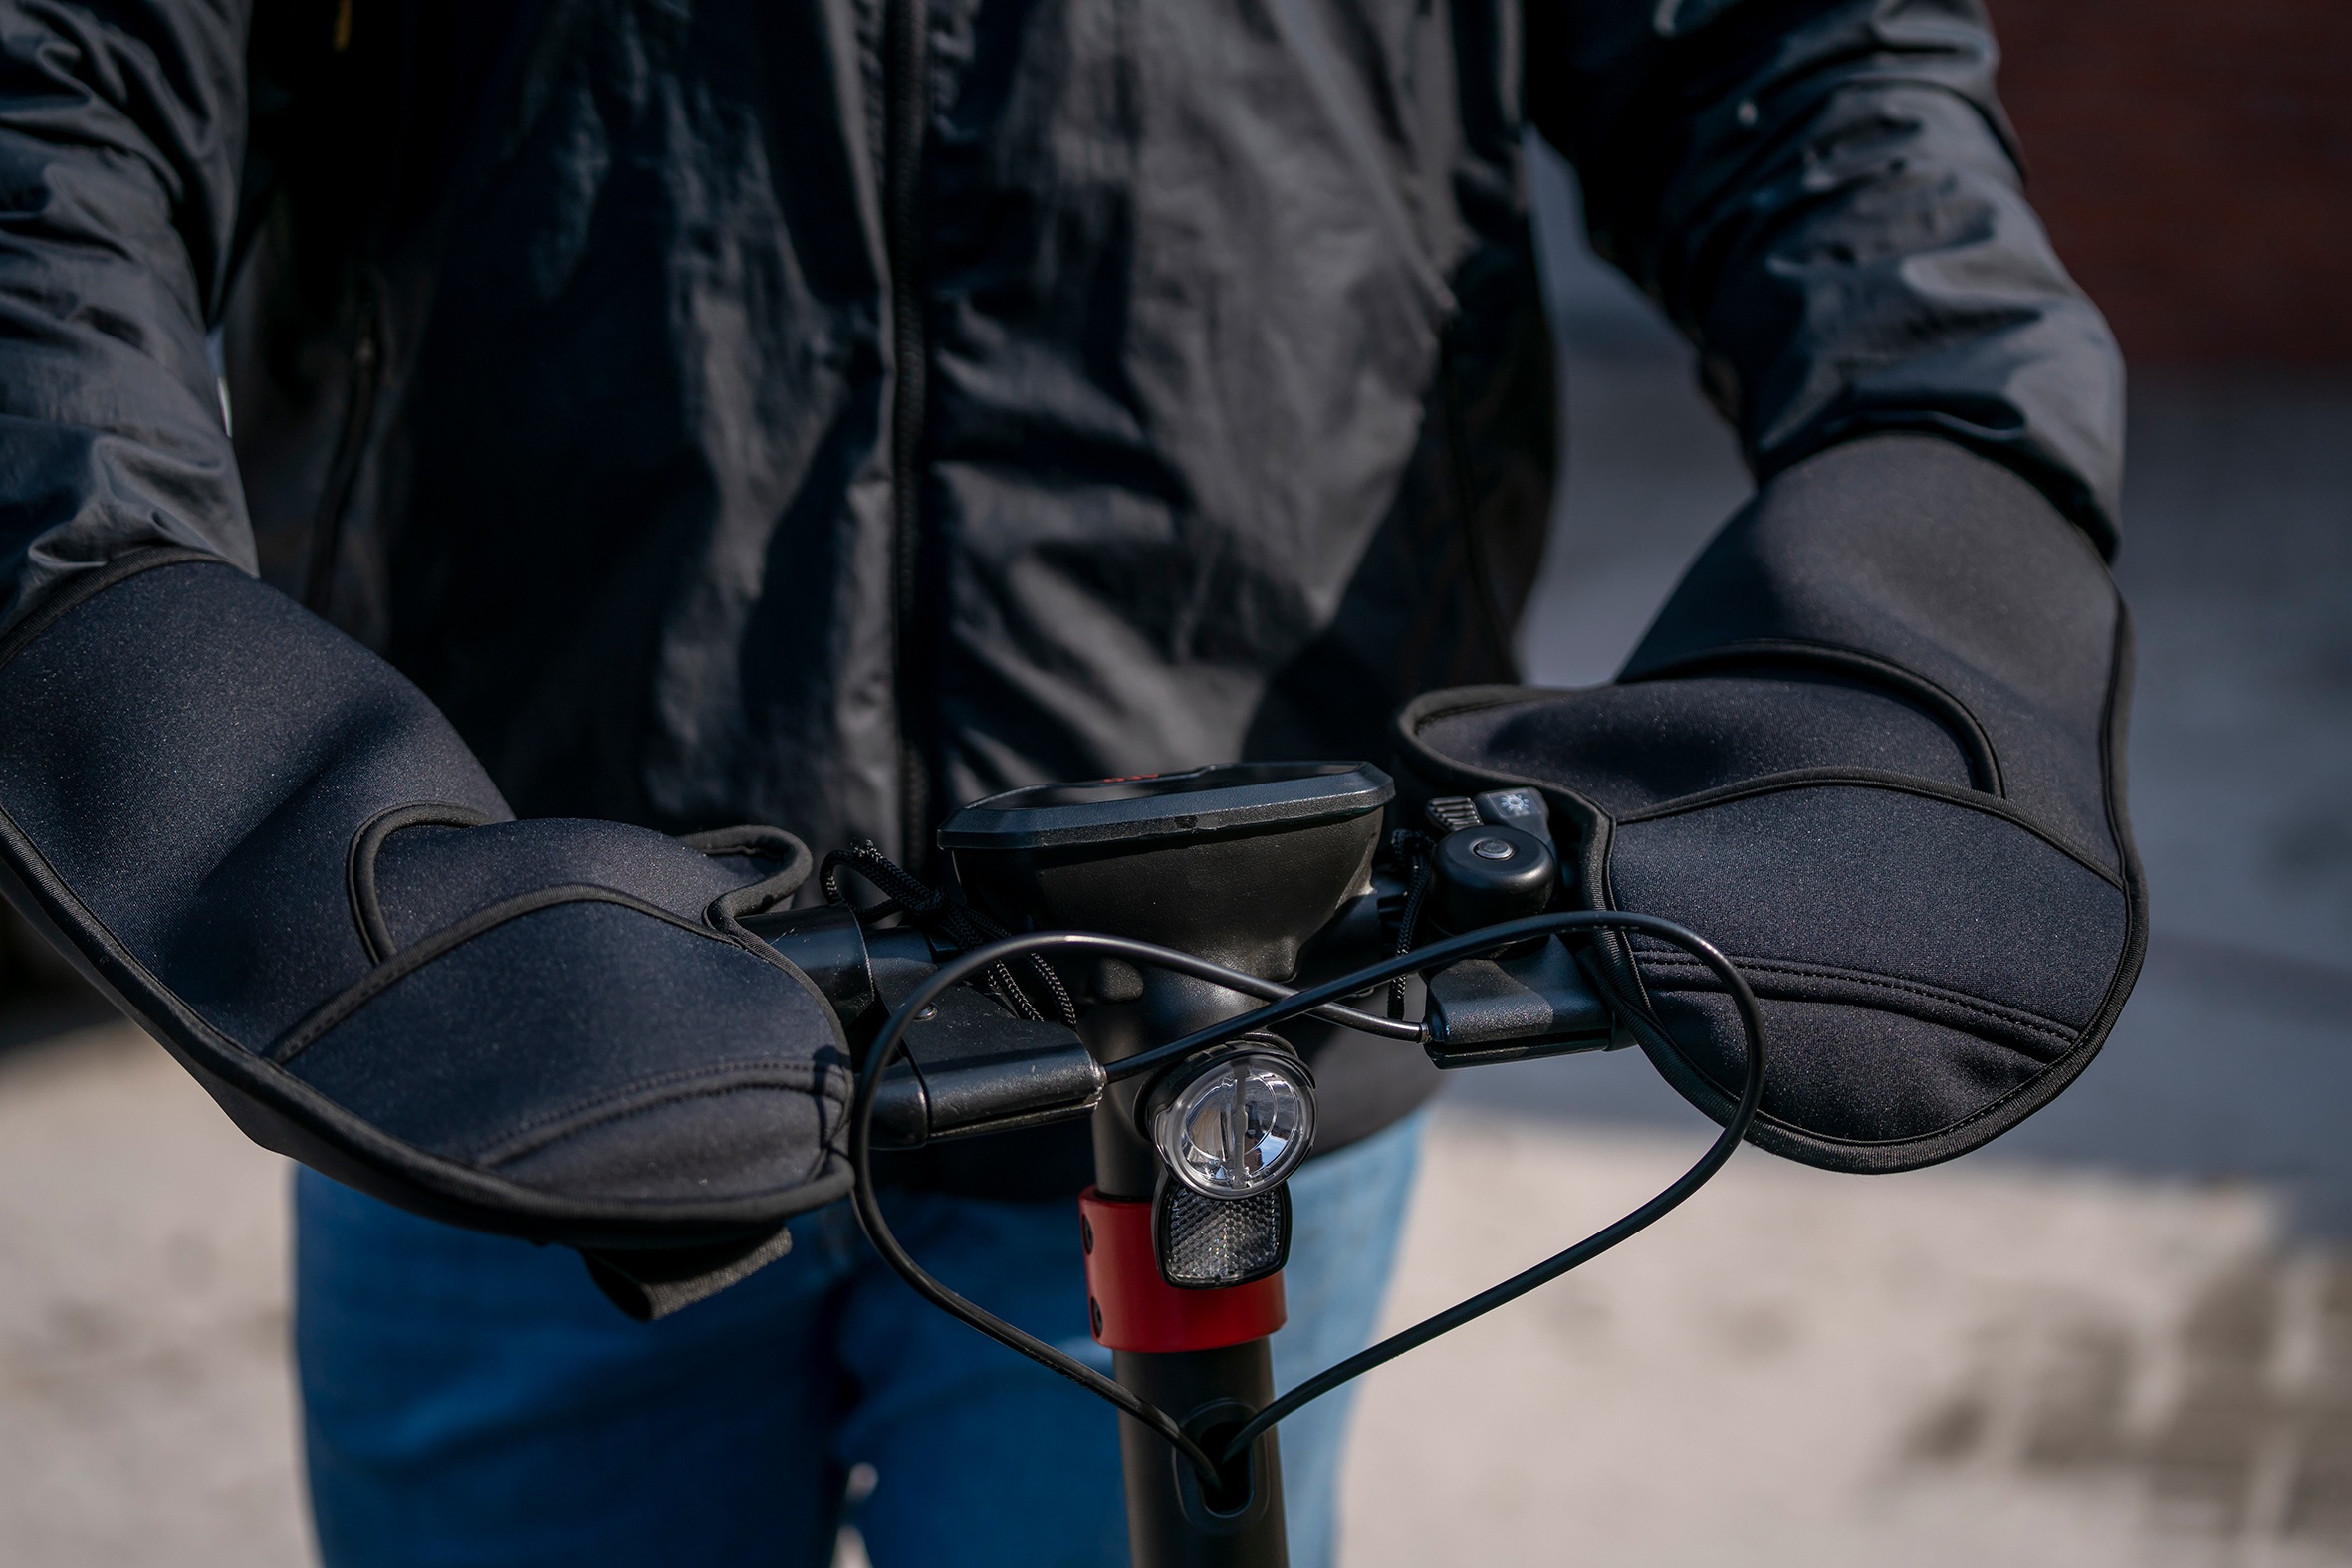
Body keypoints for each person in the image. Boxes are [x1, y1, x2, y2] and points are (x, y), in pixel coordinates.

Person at [0, 1, 2141, 1563]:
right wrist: (132, 653)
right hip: (516, 982)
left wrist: (1941, 497)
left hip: (1235, 951)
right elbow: (59, 88)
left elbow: (1795, 59)